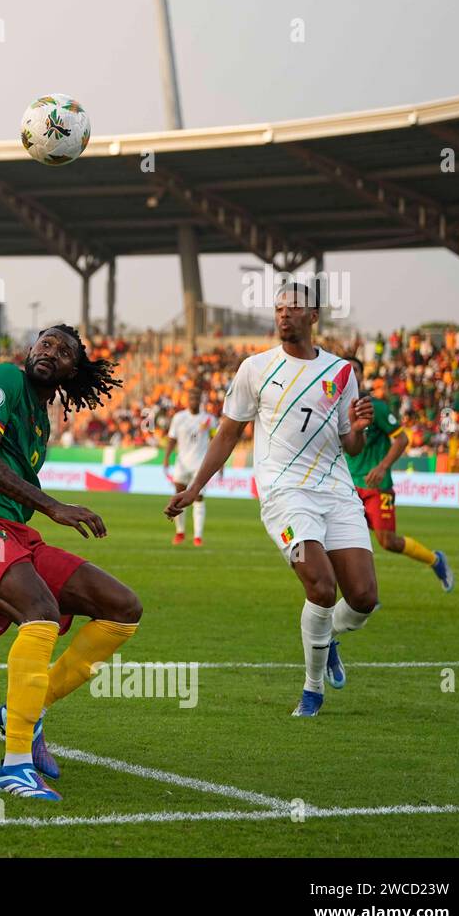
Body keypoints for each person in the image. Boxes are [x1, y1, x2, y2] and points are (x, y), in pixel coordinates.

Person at [0, 324, 143, 802]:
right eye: (45, 343)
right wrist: (53, 507)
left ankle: (26, 708)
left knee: (122, 607)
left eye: (62, 351)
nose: (49, 352)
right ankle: (14, 766)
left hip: (7, 537)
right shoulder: (5, 379)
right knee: (40, 611)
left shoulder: (41, 420)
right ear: (30, 348)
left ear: (72, 370)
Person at [167, 284, 378, 716]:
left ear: (313, 316)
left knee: (363, 597)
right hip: (285, 494)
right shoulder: (256, 368)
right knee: (320, 585)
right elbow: (228, 433)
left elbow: (351, 446)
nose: (284, 315)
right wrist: (195, 487)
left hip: (337, 492)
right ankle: (312, 688)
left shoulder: (341, 372)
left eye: (293, 308)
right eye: (279, 308)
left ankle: (330, 636)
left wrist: (358, 428)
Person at [344, 358, 453, 591]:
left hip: (376, 485)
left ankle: (435, 559)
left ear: (363, 375)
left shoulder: (376, 407)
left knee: (388, 541)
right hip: (346, 486)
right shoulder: (334, 407)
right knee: (345, 541)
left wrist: (382, 466)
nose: (351, 373)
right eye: (347, 370)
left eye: (355, 370)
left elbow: (402, 438)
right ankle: (361, 595)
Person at [163, 392, 218, 545]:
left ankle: (198, 536)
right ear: (188, 400)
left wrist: (218, 464)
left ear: (200, 400)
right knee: (179, 496)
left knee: (198, 497)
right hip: (182, 463)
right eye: (191, 398)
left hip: (200, 464)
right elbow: (172, 439)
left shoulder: (209, 419)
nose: (193, 400)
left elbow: (215, 440)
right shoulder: (179, 418)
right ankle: (180, 532)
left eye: (196, 398)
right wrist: (166, 457)